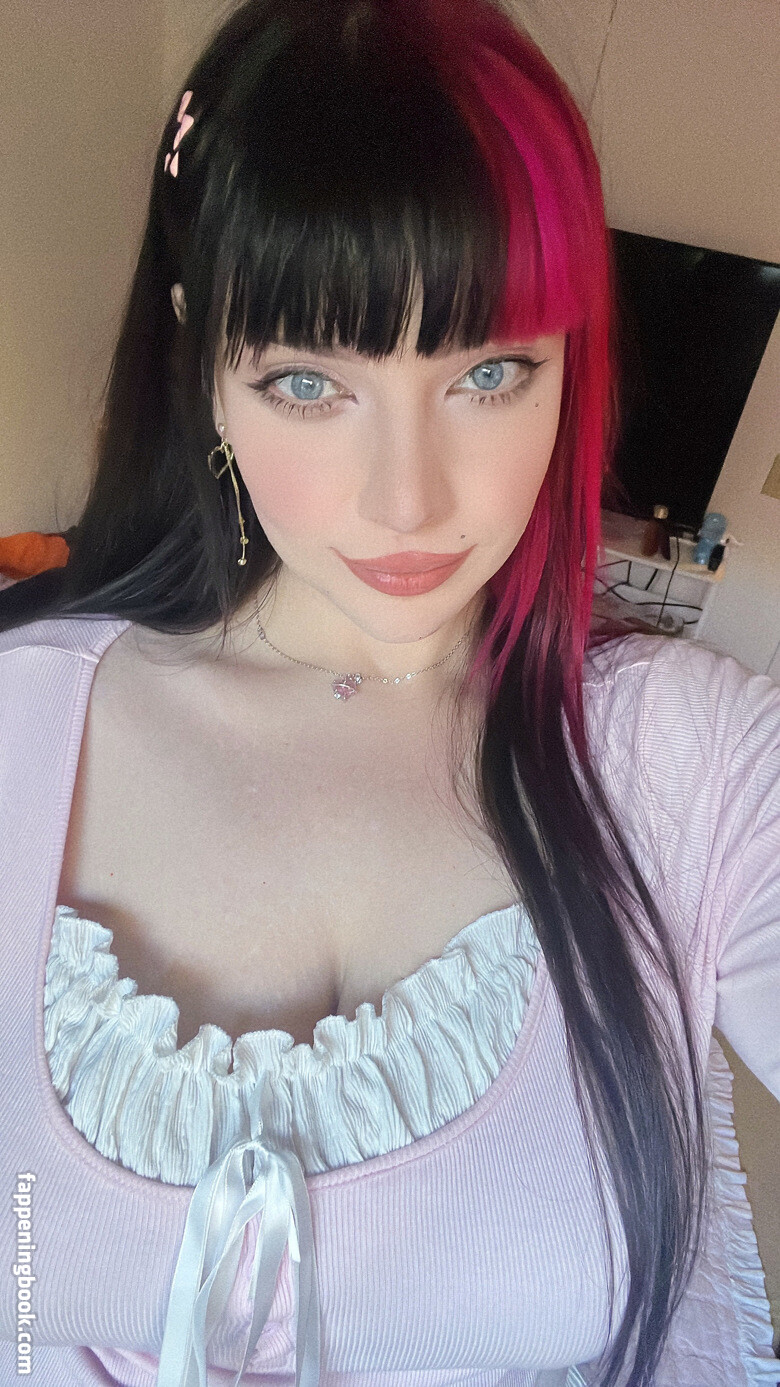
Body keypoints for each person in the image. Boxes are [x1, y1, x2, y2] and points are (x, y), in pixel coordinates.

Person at [0, 0, 778, 1384]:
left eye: (490, 371)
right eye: (309, 383)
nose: (409, 500)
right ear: (202, 362)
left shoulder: (691, 762)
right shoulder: (21, 724)